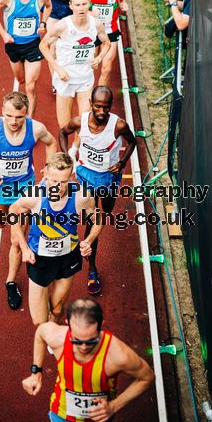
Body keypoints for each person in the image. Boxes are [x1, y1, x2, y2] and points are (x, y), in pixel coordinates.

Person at [0, 92, 57, 311]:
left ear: (26, 113)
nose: (13, 122)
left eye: (19, 117)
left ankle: (10, 282)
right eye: (9, 116)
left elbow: (51, 142)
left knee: (17, 240)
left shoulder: (35, 129)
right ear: (2, 112)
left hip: (24, 188)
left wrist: (49, 169)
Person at [22, 298, 155, 422]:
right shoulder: (57, 338)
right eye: (77, 340)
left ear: (100, 324)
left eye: (91, 341)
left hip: (98, 421)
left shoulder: (118, 354)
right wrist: (36, 372)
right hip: (61, 416)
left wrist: (113, 406)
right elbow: (40, 333)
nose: (84, 347)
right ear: (68, 324)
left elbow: (147, 377)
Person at [59, 86, 136, 295]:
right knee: (93, 221)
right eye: (98, 106)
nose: (102, 111)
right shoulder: (79, 122)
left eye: (106, 107)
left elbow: (132, 142)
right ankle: (92, 268)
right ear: (91, 104)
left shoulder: (118, 125)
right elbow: (62, 133)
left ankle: (98, 222)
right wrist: (67, 156)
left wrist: (122, 162)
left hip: (108, 177)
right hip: (85, 174)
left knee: (108, 210)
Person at [10, 153, 102, 326]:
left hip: (67, 258)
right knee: (39, 321)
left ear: (71, 176)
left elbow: (98, 220)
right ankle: (47, 334)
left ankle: (52, 331)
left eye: (63, 182)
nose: (57, 187)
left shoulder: (82, 196)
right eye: (53, 181)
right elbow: (13, 214)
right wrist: (24, 248)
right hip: (39, 259)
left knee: (57, 309)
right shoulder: (34, 196)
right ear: (44, 173)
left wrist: (89, 240)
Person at [39, 0, 110, 162]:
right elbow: (43, 46)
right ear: (70, 5)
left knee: (84, 121)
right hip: (65, 79)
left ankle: (73, 151)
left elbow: (107, 43)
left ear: (89, 4)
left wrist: (99, 57)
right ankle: (65, 153)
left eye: (84, 4)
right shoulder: (62, 26)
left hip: (85, 79)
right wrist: (57, 68)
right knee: (65, 125)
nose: (81, 8)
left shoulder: (96, 24)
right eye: (77, 4)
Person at [0, 0, 52, 117]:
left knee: (30, 86)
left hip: (33, 45)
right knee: (20, 80)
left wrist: (43, 22)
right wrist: (3, 33)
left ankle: (30, 121)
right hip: (14, 45)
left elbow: (49, 7)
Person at [82, 0, 128, 86]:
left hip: (111, 30)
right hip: (92, 30)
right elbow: (77, 4)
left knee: (106, 68)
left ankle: (98, 98)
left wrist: (123, 5)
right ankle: (86, 91)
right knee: (89, 67)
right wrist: (89, 12)